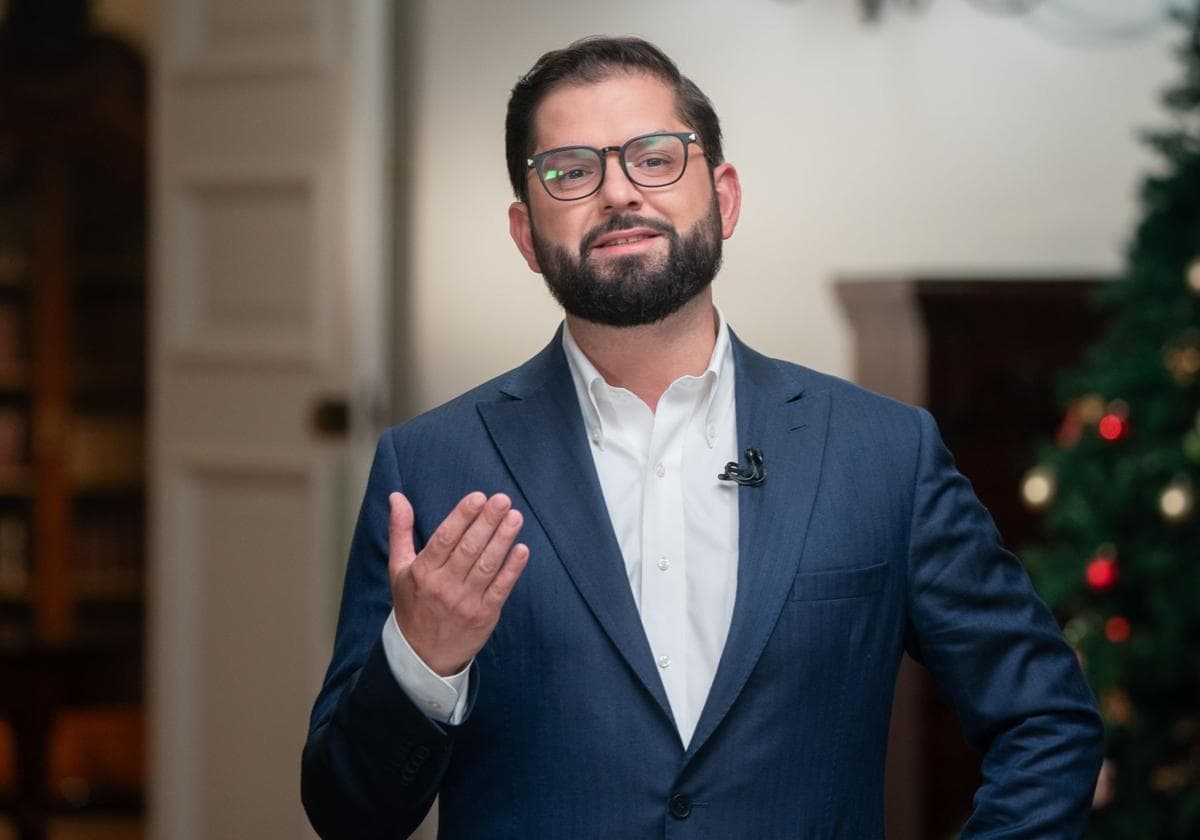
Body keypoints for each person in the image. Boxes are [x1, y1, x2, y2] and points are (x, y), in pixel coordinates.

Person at [301, 35, 1103, 839]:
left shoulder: (883, 453)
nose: (618, 193)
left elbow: (1046, 722)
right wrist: (421, 663)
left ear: (724, 196)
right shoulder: (432, 467)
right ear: (525, 234)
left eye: (655, 157)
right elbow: (348, 814)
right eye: (572, 171)